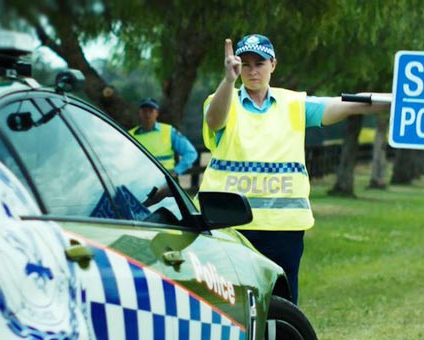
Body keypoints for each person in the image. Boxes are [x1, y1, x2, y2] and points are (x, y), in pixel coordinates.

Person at [201, 33, 387, 303]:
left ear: (273, 65)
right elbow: (214, 120)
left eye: (260, 63)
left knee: (283, 304)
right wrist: (229, 80)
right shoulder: (222, 99)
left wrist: (399, 100)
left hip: (283, 229)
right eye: (246, 64)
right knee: (228, 303)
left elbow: (346, 104)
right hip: (231, 227)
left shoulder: (294, 104)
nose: (252, 70)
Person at [129, 98, 199, 181]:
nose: (147, 114)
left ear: (157, 113)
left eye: (151, 111)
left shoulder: (169, 131)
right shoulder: (130, 135)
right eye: (144, 111)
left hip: (165, 181)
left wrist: (177, 171)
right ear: (139, 113)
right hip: (140, 181)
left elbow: (190, 153)